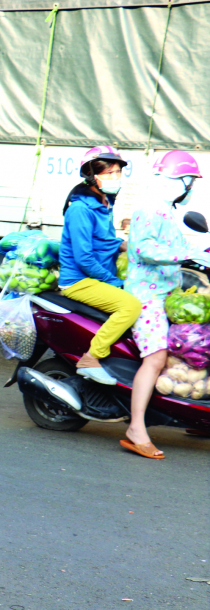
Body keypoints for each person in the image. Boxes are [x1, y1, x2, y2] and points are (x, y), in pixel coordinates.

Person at [122, 151, 210, 459]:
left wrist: (201, 252)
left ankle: (195, 417)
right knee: (157, 359)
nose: (192, 188)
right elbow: (144, 248)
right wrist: (185, 256)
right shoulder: (150, 209)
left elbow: (175, 245)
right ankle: (136, 428)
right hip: (147, 297)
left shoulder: (165, 210)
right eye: (191, 181)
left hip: (166, 292)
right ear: (179, 180)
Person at [58, 146, 141, 385]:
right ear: (92, 176)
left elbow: (102, 240)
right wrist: (116, 283)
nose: (115, 178)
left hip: (96, 277)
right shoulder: (80, 209)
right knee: (130, 306)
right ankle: (92, 356)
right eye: (109, 173)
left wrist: (125, 245)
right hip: (79, 281)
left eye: (118, 172)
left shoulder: (103, 202)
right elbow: (84, 258)